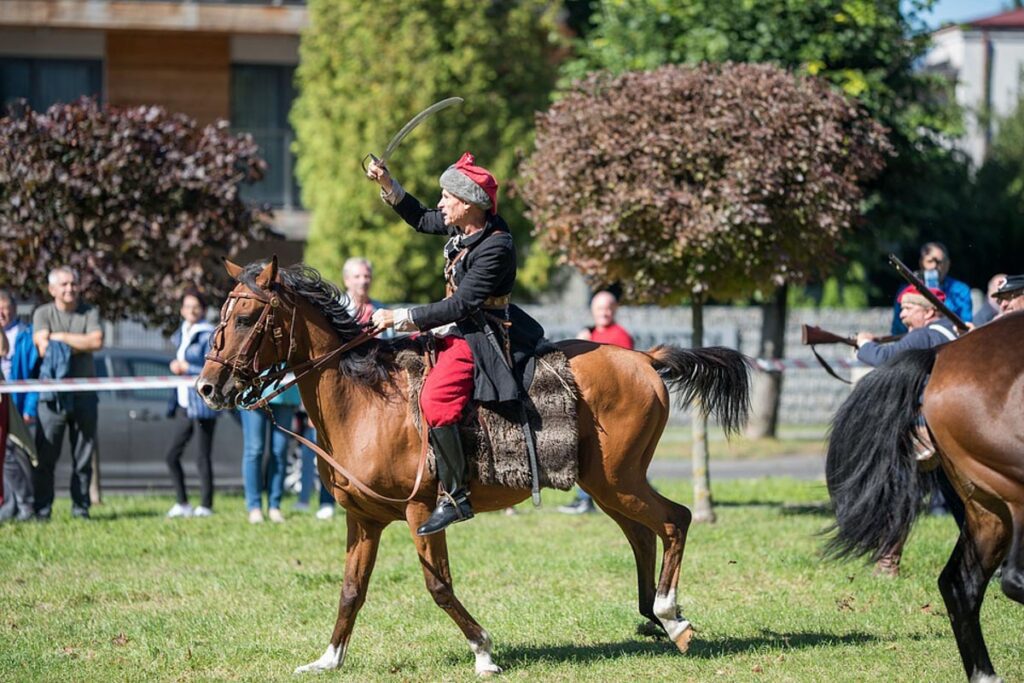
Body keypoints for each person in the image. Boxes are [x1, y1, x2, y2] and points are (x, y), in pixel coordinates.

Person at [366, 152, 545, 536]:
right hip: (456, 326)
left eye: (447, 197)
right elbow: (420, 217)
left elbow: (462, 305)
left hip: (481, 334)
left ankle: (457, 496)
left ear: (467, 204)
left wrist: (399, 316)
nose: (441, 204)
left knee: (436, 401)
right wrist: (387, 182)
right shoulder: (463, 228)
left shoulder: (497, 246)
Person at [857, 285, 965, 576]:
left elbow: (886, 359)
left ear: (929, 311)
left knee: (900, 492)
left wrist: (864, 344)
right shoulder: (954, 333)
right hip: (950, 429)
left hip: (923, 430)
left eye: (908, 308)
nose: (902, 314)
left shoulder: (923, 335)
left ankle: (886, 563)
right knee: (960, 499)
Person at [32, 266, 103, 520]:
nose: (70, 288)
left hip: (85, 396)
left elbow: (96, 342)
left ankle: (81, 508)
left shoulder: (90, 312)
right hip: (51, 399)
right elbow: (42, 348)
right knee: (45, 457)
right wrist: (76, 342)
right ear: (52, 289)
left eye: (73, 283)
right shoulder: (42, 313)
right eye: (63, 284)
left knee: (83, 458)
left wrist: (59, 337)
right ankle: (42, 510)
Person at [560, 290, 635, 515]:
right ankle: (585, 498)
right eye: (600, 308)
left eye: (608, 308)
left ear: (615, 310)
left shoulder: (620, 336)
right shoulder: (589, 334)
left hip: (609, 410)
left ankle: (589, 499)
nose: (604, 312)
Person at [163, 291, 219, 519]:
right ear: (181, 310)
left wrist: (188, 368)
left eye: (196, 306)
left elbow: (212, 369)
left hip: (202, 404)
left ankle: (206, 505)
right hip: (184, 404)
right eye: (187, 306)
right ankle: (183, 502)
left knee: (202, 457)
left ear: (203, 310)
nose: (192, 310)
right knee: (171, 455)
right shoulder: (182, 334)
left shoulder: (208, 334)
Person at [0, 290, 38, 522]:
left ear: (14, 308)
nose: (1, 313)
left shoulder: (25, 334)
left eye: (4, 307)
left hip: (16, 402)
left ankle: (25, 504)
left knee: (12, 454)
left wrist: (29, 408)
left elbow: (34, 375)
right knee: (6, 456)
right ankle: (12, 505)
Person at [240, 383, 301, 524]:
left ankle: (275, 506)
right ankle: (254, 507)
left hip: (284, 392)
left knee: (280, 450)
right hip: (252, 392)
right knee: (254, 450)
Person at [890, 242, 972, 334]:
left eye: (939, 262)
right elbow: (898, 329)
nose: (934, 266)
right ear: (921, 263)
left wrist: (937, 294)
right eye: (930, 261)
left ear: (947, 264)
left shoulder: (960, 290)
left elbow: (965, 323)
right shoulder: (907, 291)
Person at [293, 408, 335, 520]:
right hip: (311, 416)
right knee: (306, 458)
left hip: (327, 417)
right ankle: (303, 500)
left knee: (326, 460)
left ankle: (327, 503)